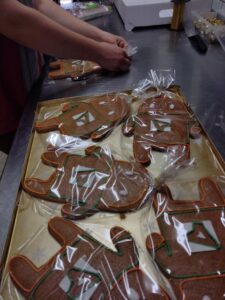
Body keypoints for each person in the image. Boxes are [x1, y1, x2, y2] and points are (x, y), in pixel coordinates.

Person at [0, 0, 131, 153]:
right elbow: (14, 19)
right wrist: (98, 53)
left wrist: (100, 37)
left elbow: (40, 3)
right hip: (7, 100)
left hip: (30, 83)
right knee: (30, 153)